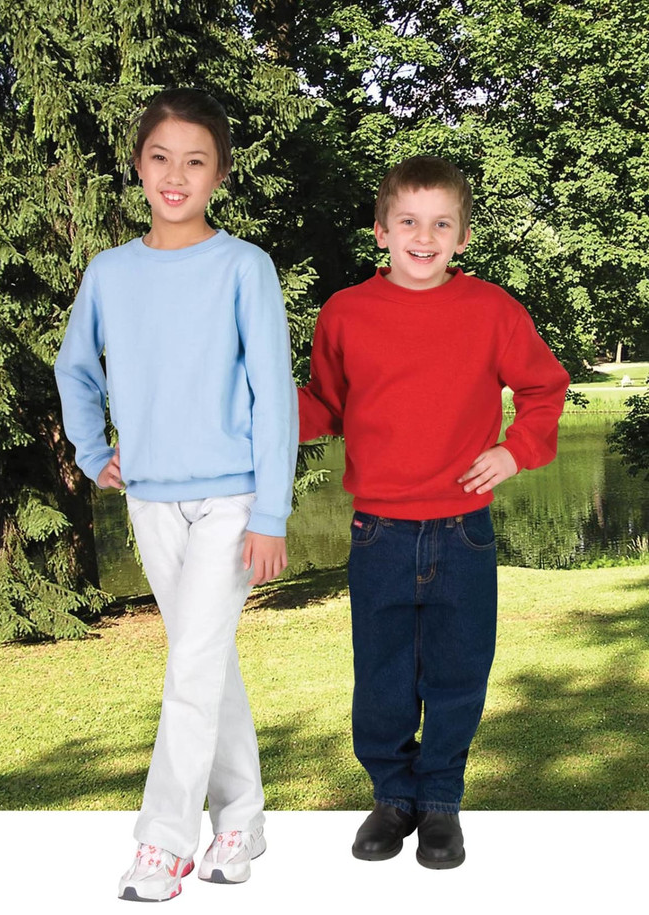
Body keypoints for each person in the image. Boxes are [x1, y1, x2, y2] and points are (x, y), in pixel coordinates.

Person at [55, 88, 298, 900]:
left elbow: (275, 394)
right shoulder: (111, 272)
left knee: (191, 663)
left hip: (231, 499)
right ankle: (244, 819)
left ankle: (163, 841)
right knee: (207, 660)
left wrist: (271, 511)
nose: (175, 174)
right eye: (160, 157)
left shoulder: (243, 267)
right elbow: (74, 365)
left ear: (219, 175)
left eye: (195, 161)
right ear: (138, 164)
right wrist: (93, 451)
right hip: (150, 498)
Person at [298, 156, 569, 869]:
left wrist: (516, 451)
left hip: (463, 532)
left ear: (464, 235)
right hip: (379, 531)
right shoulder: (346, 313)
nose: (425, 236)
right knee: (382, 676)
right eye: (409, 222)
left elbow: (545, 386)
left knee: (458, 671)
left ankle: (442, 800)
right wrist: (254, 403)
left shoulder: (491, 310)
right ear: (381, 230)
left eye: (441, 223)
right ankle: (393, 795)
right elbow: (325, 404)